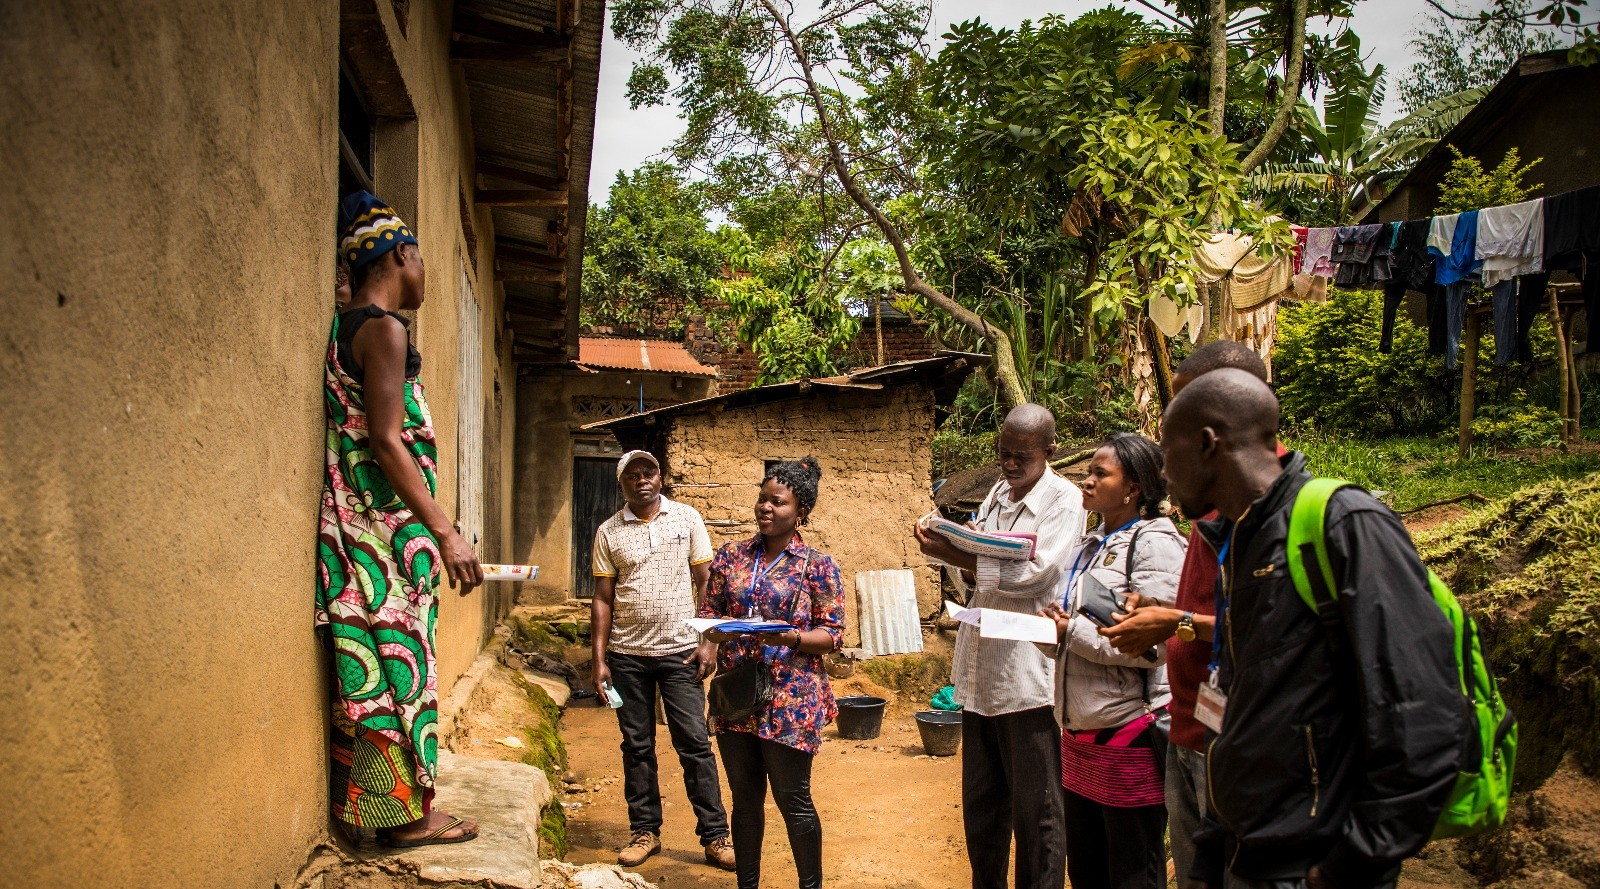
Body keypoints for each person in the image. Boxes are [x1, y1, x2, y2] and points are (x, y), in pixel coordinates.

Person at [1160, 370, 1465, 889]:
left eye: (1167, 451)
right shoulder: (1243, 541)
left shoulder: (1343, 524)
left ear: (1209, 444)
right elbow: (1246, 713)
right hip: (1250, 855)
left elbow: (1426, 718)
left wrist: (1347, 867)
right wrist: (1213, 853)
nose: (1163, 472)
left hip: (1312, 865)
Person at [316, 190, 484, 847]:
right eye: (421, 262)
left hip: (371, 536)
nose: (424, 277)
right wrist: (445, 531)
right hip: (377, 539)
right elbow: (385, 440)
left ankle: (384, 811)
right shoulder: (383, 329)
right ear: (402, 254)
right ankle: (404, 819)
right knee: (395, 668)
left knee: (383, 669)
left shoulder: (350, 328)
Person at [1098, 340, 1274, 886]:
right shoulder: (1210, 507)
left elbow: (1280, 633)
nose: (1163, 472)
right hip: (1192, 727)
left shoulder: (1283, 515)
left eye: (1173, 435)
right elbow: (1214, 610)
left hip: (1247, 746)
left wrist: (1174, 623)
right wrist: (1162, 610)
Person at [914, 403, 1083, 889]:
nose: (1009, 464)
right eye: (1003, 453)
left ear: (1048, 452)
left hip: (1029, 677)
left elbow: (1036, 575)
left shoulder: (1064, 501)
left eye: (1021, 457)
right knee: (983, 808)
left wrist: (950, 550)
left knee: (1039, 813)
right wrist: (955, 543)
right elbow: (979, 562)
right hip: (981, 671)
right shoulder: (997, 493)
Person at [1041, 433, 1186, 889]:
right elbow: (1077, 631)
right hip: (1081, 740)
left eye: (1099, 474)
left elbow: (1152, 647)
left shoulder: (1156, 544)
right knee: (1087, 872)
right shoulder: (1090, 546)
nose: (1085, 482)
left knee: (1131, 872)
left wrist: (1070, 631)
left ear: (1135, 488)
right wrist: (1052, 631)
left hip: (1129, 735)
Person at [699, 458, 845, 889]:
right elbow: (710, 611)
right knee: (744, 802)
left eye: (777, 502)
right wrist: (715, 633)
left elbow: (833, 633)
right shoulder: (731, 556)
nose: (765, 508)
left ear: (800, 511)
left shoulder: (816, 565)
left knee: (793, 800)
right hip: (738, 694)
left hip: (790, 699)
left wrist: (791, 638)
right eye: (762, 499)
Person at [590, 449, 735, 870]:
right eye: (632, 475)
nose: (642, 480)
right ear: (621, 485)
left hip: (680, 653)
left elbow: (707, 581)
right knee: (637, 746)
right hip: (626, 656)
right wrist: (598, 660)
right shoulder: (608, 532)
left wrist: (709, 640)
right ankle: (645, 831)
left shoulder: (687, 519)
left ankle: (716, 835)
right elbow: (602, 599)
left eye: (648, 472)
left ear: (660, 477)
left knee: (694, 742)